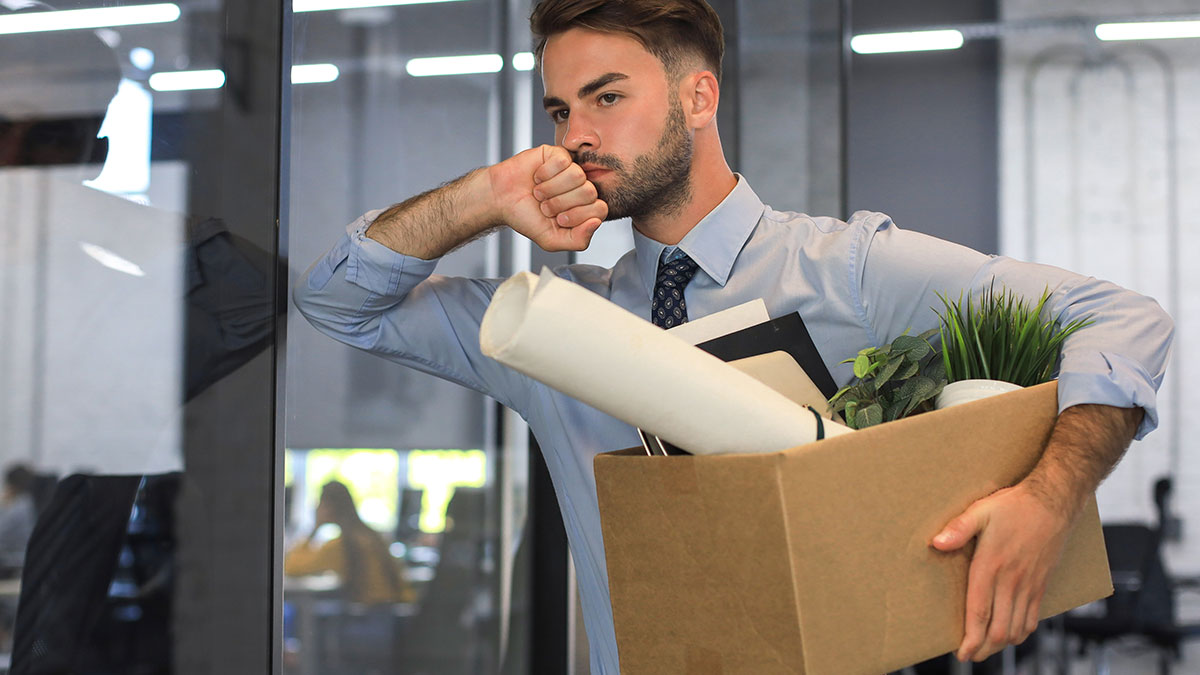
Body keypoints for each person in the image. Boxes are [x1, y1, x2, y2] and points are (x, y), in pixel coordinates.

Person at [292, 0, 1174, 671]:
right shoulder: (554, 330)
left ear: (698, 96)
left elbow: (1124, 319)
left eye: (607, 96)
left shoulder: (848, 269)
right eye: (560, 111)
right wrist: (486, 195)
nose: (579, 135)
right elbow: (339, 301)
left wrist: (1049, 497)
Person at [284, 480, 415, 606]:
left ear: (328, 508)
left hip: (367, 617)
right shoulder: (372, 536)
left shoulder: (340, 546)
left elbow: (292, 567)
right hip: (392, 615)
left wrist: (315, 528)